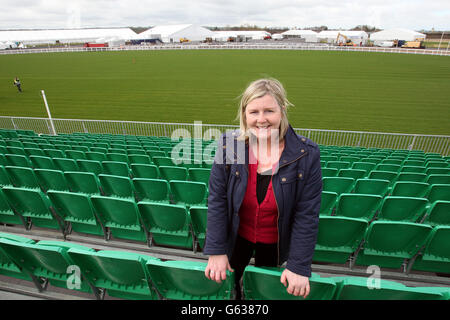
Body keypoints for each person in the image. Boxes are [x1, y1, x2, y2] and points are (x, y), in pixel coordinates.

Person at [203, 78, 322, 299]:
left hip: (276, 241)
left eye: (269, 111)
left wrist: (298, 265)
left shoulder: (308, 154)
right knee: (232, 282)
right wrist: (217, 249)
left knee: (265, 289)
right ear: (244, 114)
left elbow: (307, 214)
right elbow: (217, 199)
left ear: (282, 111)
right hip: (237, 234)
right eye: (254, 112)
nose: (261, 119)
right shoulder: (228, 144)